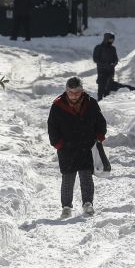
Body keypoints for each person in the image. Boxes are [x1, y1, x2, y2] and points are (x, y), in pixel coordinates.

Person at [47, 77, 108, 217]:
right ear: (66, 91)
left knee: (86, 176)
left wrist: (99, 136)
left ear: (82, 90)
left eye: (77, 92)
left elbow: (100, 122)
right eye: (71, 92)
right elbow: (52, 127)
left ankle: (88, 203)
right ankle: (66, 207)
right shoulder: (57, 105)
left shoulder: (90, 103)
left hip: (86, 146)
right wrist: (58, 143)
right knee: (68, 178)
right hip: (66, 149)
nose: (74, 95)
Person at [92, 32, 118, 100]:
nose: (112, 41)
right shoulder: (98, 47)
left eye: (112, 39)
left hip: (111, 71)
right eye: (110, 39)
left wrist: (114, 63)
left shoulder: (113, 48)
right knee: (101, 87)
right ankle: (99, 101)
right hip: (102, 70)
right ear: (106, 39)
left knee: (108, 88)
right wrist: (105, 64)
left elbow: (115, 58)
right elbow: (95, 59)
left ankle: (106, 103)